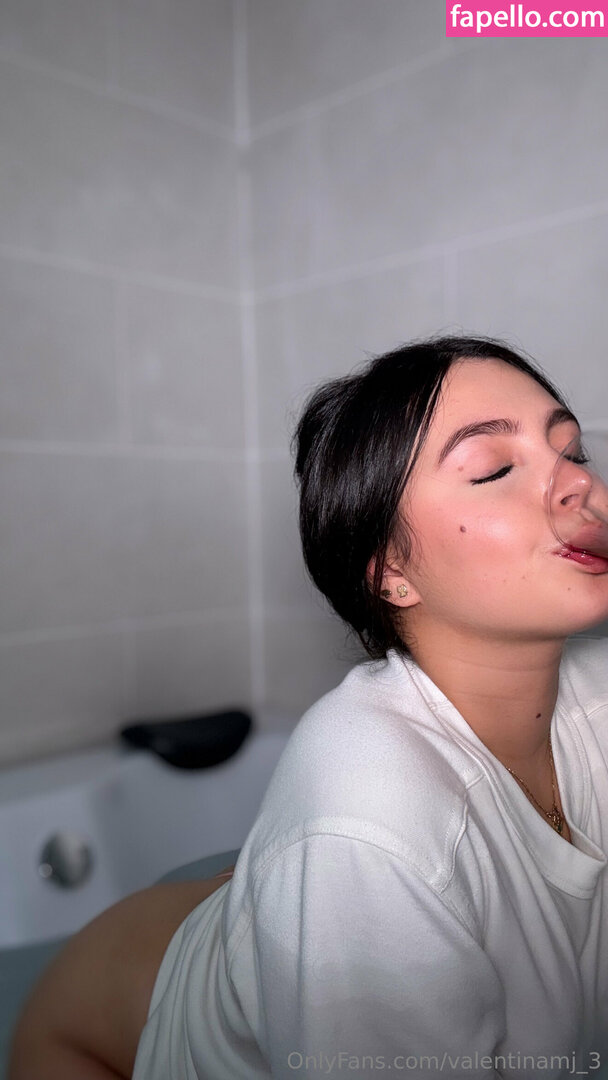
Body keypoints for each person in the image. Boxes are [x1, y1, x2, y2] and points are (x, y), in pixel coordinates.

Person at [9, 335, 608, 1080]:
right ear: (390, 569)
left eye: (574, 452)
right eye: (492, 468)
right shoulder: (366, 813)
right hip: (92, 1032)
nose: (577, 483)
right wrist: (335, 871)